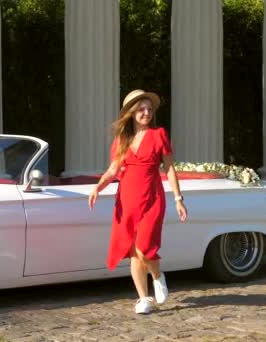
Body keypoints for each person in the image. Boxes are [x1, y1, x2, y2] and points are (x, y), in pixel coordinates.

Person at [88, 89, 188, 314]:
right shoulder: (122, 139)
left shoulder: (159, 134)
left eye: (149, 109)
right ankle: (144, 299)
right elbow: (113, 169)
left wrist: (178, 199)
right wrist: (98, 187)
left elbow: (170, 168)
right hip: (127, 200)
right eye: (141, 109)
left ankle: (158, 276)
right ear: (132, 113)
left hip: (152, 198)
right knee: (133, 251)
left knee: (145, 248)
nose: (146, 113)